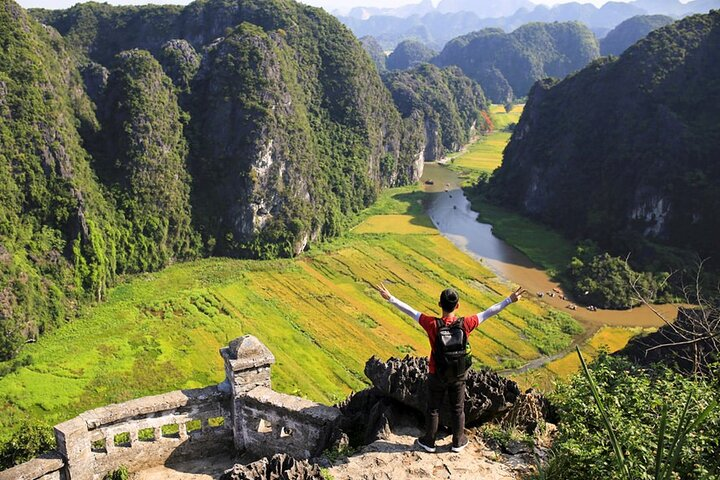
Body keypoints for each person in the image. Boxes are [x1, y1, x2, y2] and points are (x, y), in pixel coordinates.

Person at [375, 283, 525, 453]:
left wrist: (391, 298)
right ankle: (458, 441)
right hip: (458, 375)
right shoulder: (466, 324)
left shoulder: (431, 323)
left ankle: (429, 442)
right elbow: (490, 311)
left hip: (436, 373)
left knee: (433, 408)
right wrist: (509, 300)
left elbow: (411, 311)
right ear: (458, 305)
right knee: (458, 408)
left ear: (440, 304)